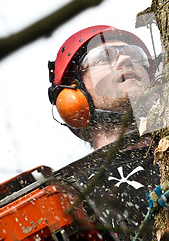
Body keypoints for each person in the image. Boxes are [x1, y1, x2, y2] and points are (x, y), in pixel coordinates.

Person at [47, 25, 159, 239]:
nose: (125, 60)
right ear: (75, 91)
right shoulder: (69, 194)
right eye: (103, 57)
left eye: (136, 56)